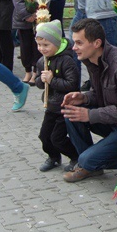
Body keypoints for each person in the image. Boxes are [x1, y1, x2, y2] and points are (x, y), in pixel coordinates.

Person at [62, 18, 117, 182]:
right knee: (70, 113)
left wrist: (90, 115)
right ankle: (89, 166)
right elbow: (100, 93)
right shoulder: (91, 59)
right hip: (112, 121)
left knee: (87, 158)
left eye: (79, 43)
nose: (74, 48)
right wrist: (84, 97)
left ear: (96, 43)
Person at [34, 20, 80, 173]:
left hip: (65, 106)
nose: (42, 49)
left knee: (57, 138)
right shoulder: (42, 61)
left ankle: (75, 156)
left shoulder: (66, 60)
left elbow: (72, 84)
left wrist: (52, 80)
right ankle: (53, 157)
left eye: (46, 45)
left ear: (56, 43)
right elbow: (39, 83)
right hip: (51, 105)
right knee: (44, 136)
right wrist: (42, 80)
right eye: (39, 45)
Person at [11, 0, 44, 86]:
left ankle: (36, 69)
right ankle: (28, 70)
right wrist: (25, 14)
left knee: (37, 44)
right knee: (25, 45)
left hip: (38, 17)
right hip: (23, 18)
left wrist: (37, 13)